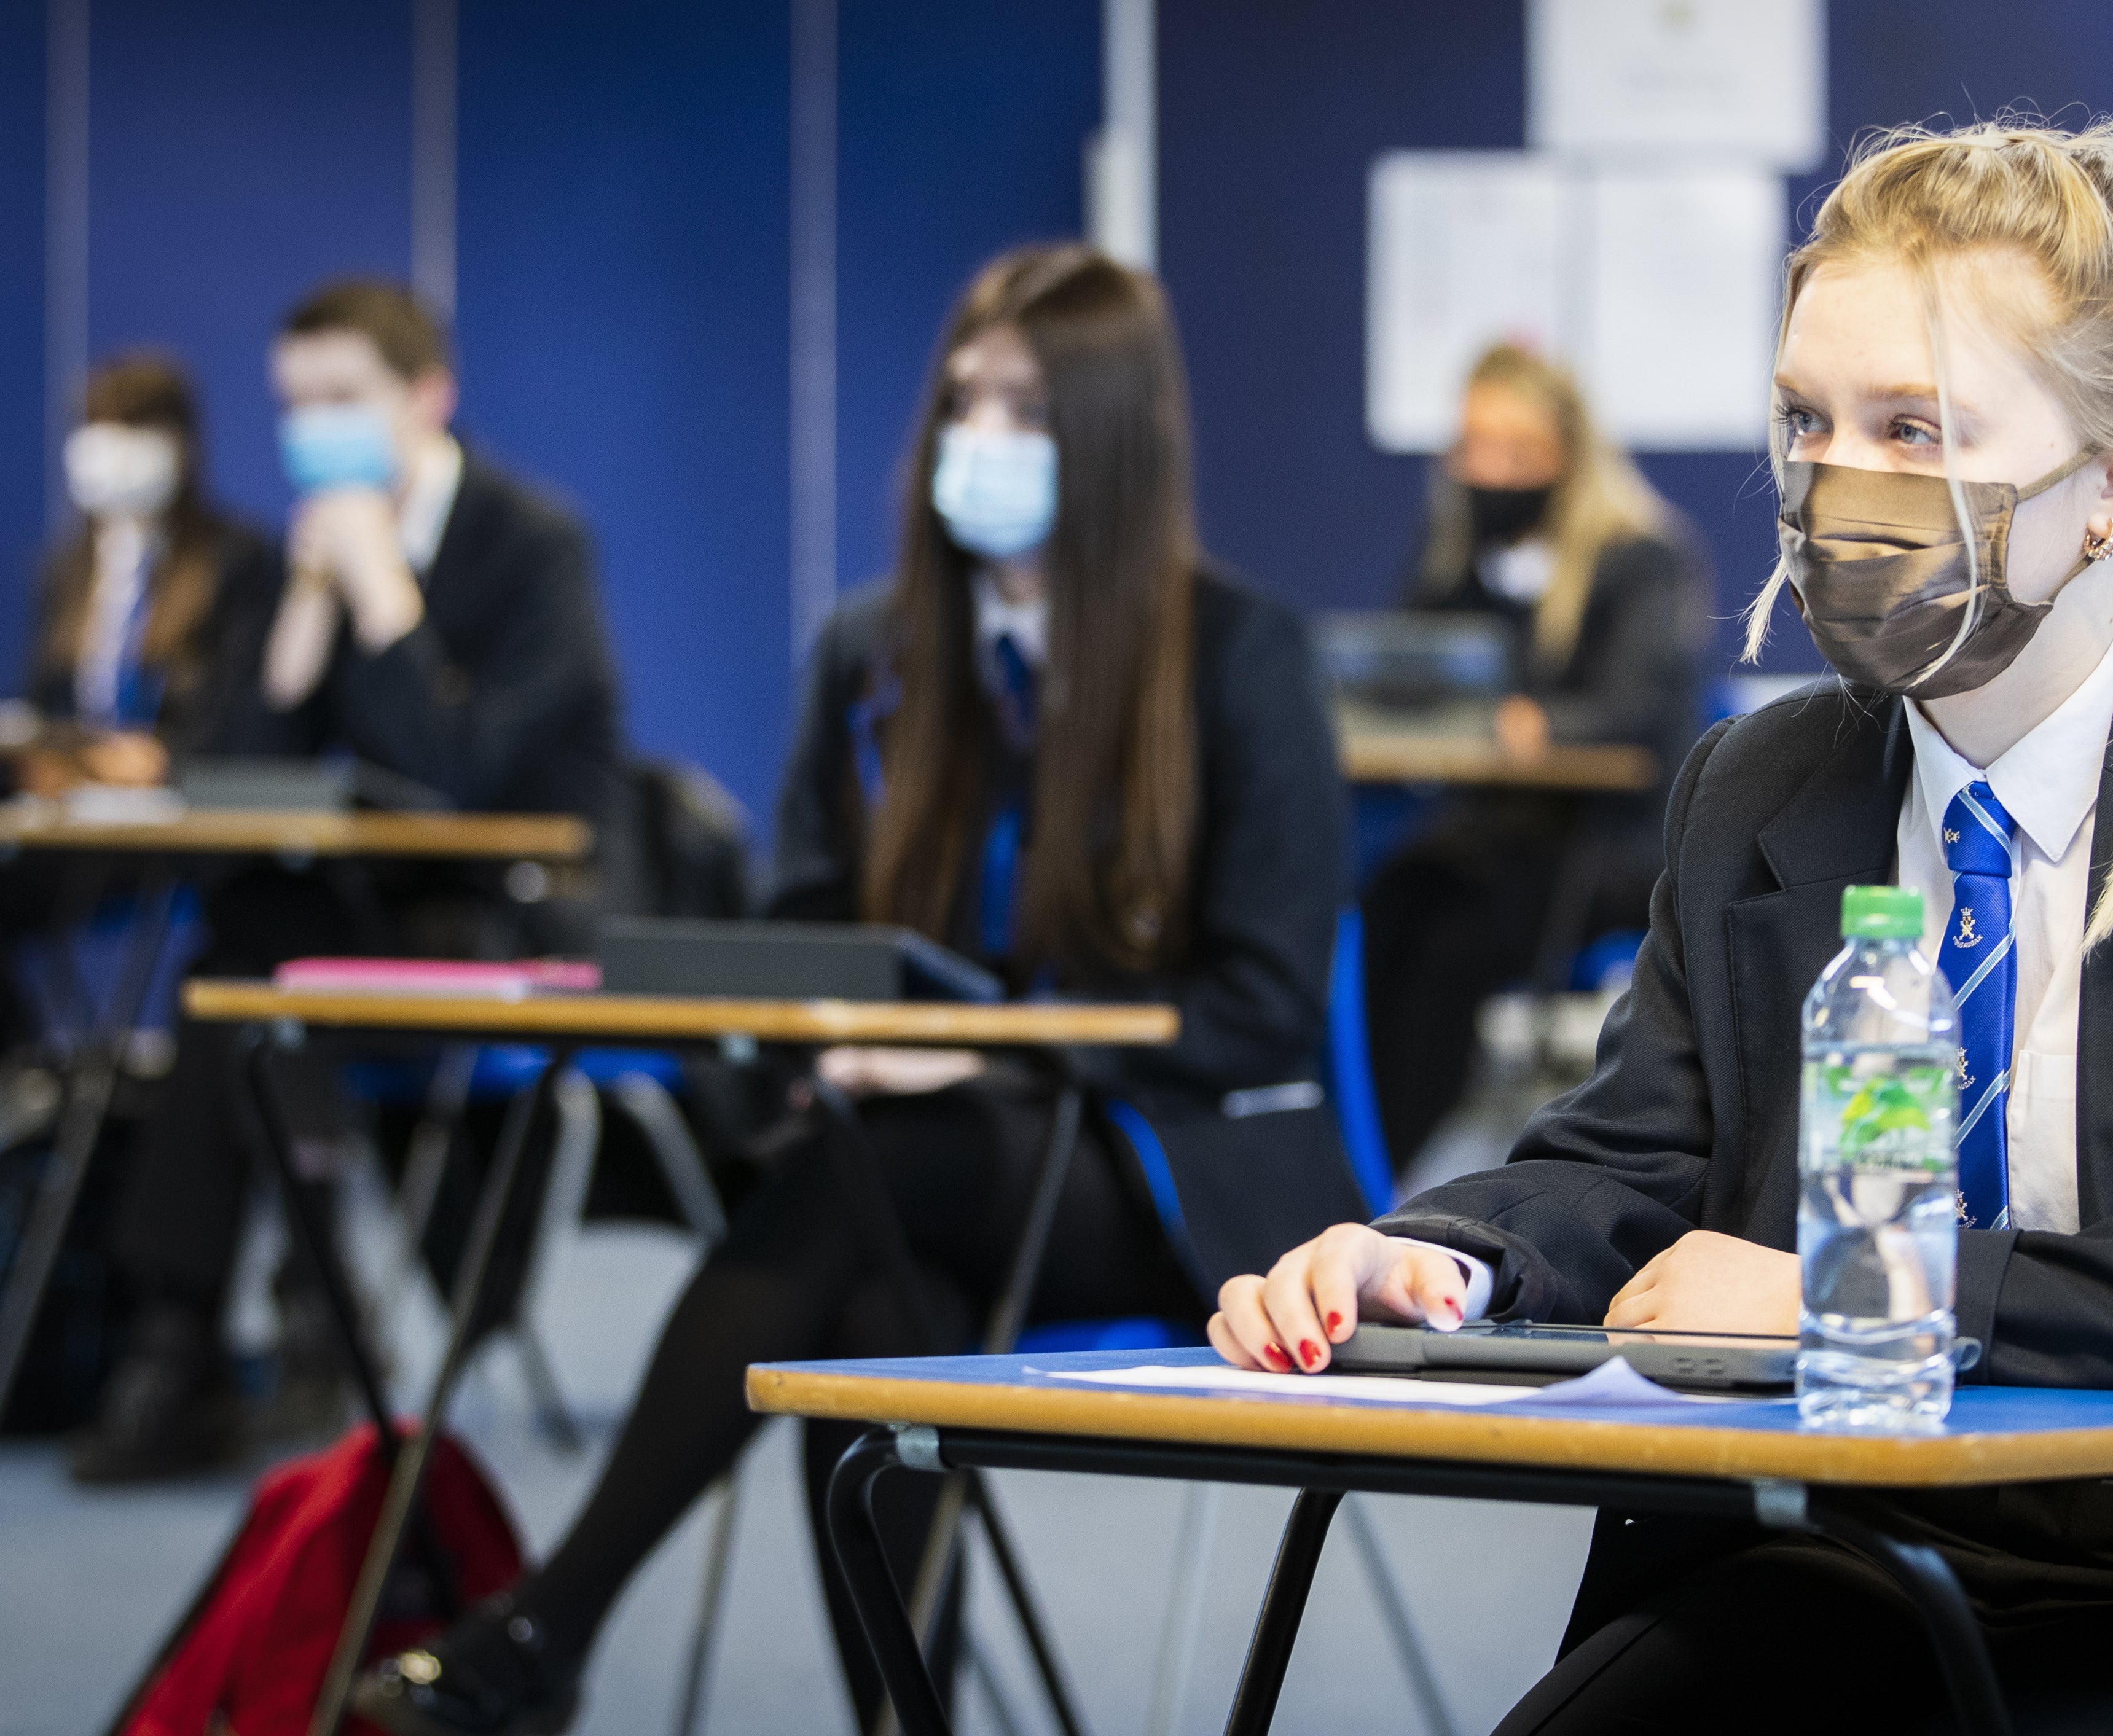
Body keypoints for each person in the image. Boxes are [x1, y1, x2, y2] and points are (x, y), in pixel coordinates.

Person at [1210, 118, 2113, 1734]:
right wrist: (1436, 1257)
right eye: (1807, 422)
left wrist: (1856, 1294)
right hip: (1857, 1569)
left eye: (1914, 427)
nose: (1843, 486)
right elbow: (1630, 1161)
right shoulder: (1759, 785)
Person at [350, 243, 1361, 1736]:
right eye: (965, 402)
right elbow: (808, 926)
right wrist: (854, 1043)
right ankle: (895, 1717)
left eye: (1024, 408)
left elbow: (1264, 1004)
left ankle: (539, 1631)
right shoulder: (873, 654)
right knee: (877, 1286)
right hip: (909, 1167)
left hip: (1182, 1176)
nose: (982, 442)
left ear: (1112, 431)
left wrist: (980, 1059)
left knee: (871, 1179)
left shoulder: (1240, 655)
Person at [68, 280, 628, 1484]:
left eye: (342, 398)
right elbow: (229, 795)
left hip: (512, 917)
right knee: (250, 935)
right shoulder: (297, 556)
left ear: (426, 397)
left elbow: (473, 779)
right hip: (367, 916)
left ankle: (234, 1334)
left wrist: (384, 598)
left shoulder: (532, 545)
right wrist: (301, 633)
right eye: (293, 402)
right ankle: (211, 1329)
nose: (312, 426)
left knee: (263, 970)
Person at [1361, 343, 1703, 1170]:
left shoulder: (1639, 560)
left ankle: (1398, 1162)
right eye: (1473, 449)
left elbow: (1634, 712)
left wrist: (1541, 726)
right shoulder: (1454, 563)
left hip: (1607, 844)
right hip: (1497, 834)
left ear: (1564, 458)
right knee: (1393, 903)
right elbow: (1418, 673)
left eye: (1514, 453)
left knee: (1455, 941)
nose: (1489, 473)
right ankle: (1363, 1149)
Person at [19, 353, 281, 789]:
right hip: (71, 820)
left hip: (181, 817)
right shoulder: (63, 572)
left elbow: (245, 718)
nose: (115, 448)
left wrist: (165, 762)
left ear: (181, 444)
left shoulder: (237, 560)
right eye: (101, 429)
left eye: (136, 429)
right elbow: (41, 704)